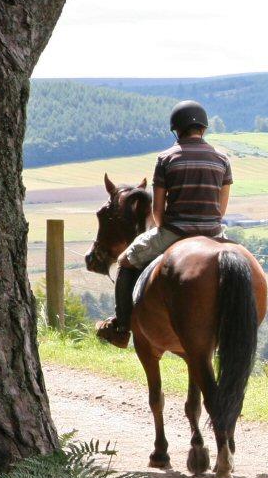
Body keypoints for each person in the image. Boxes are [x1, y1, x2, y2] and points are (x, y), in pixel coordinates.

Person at [96, 100, 232, 348]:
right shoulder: (222, 159)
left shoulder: (166, 158)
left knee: (126, 260)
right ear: (203, 128)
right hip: (214, 234)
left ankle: (122, 328)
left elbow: (158, 211)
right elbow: (221, 210)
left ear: (176, 129)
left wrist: (164, 227)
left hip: (176, 233)